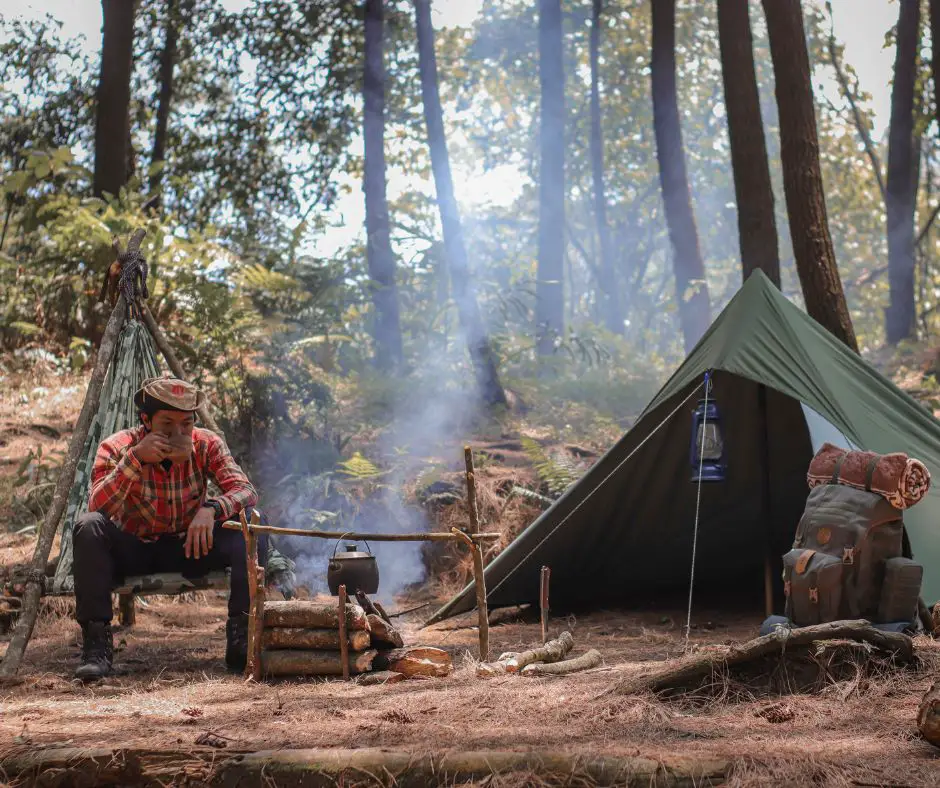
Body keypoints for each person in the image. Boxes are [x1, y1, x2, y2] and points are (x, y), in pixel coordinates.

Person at [71, 374, 267, 680]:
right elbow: (98, 504)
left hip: (189, 545)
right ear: (146, 421)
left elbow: (246, 491)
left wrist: (212, 508)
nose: (178, 433)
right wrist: (135, 459)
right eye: (166, 425)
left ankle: (242, 638)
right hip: (134, 547)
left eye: (185, 425)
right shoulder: (118, 446)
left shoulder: (206, 443)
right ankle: (96, 647)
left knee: (253, 521)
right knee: (89, 527)